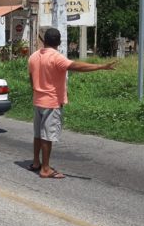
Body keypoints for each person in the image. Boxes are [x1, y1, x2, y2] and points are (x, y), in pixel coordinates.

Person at [28, 28, 116, 179]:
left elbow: (31, 78)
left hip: (38, 99)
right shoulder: (57, 57)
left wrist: (38, 90)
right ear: (59, 42)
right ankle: (46, 169)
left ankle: (37, 162)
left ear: (44, 41)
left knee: (38, 134)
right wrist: (101, 67)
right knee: (47, 136)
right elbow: (77, 66)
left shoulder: (34, 56)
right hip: (52, 102)